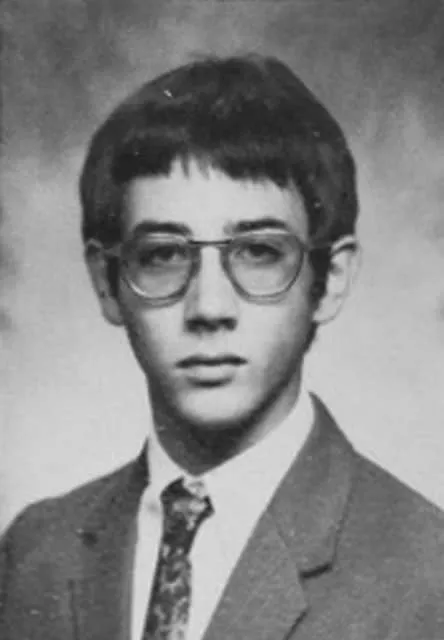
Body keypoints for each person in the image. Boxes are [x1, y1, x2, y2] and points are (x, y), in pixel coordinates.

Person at [1, 54, 443, 640]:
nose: (209, 308)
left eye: (259, 252)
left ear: (330, 280)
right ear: (107, 283)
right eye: (163, 255)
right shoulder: (34, 553)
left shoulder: (427, 573)